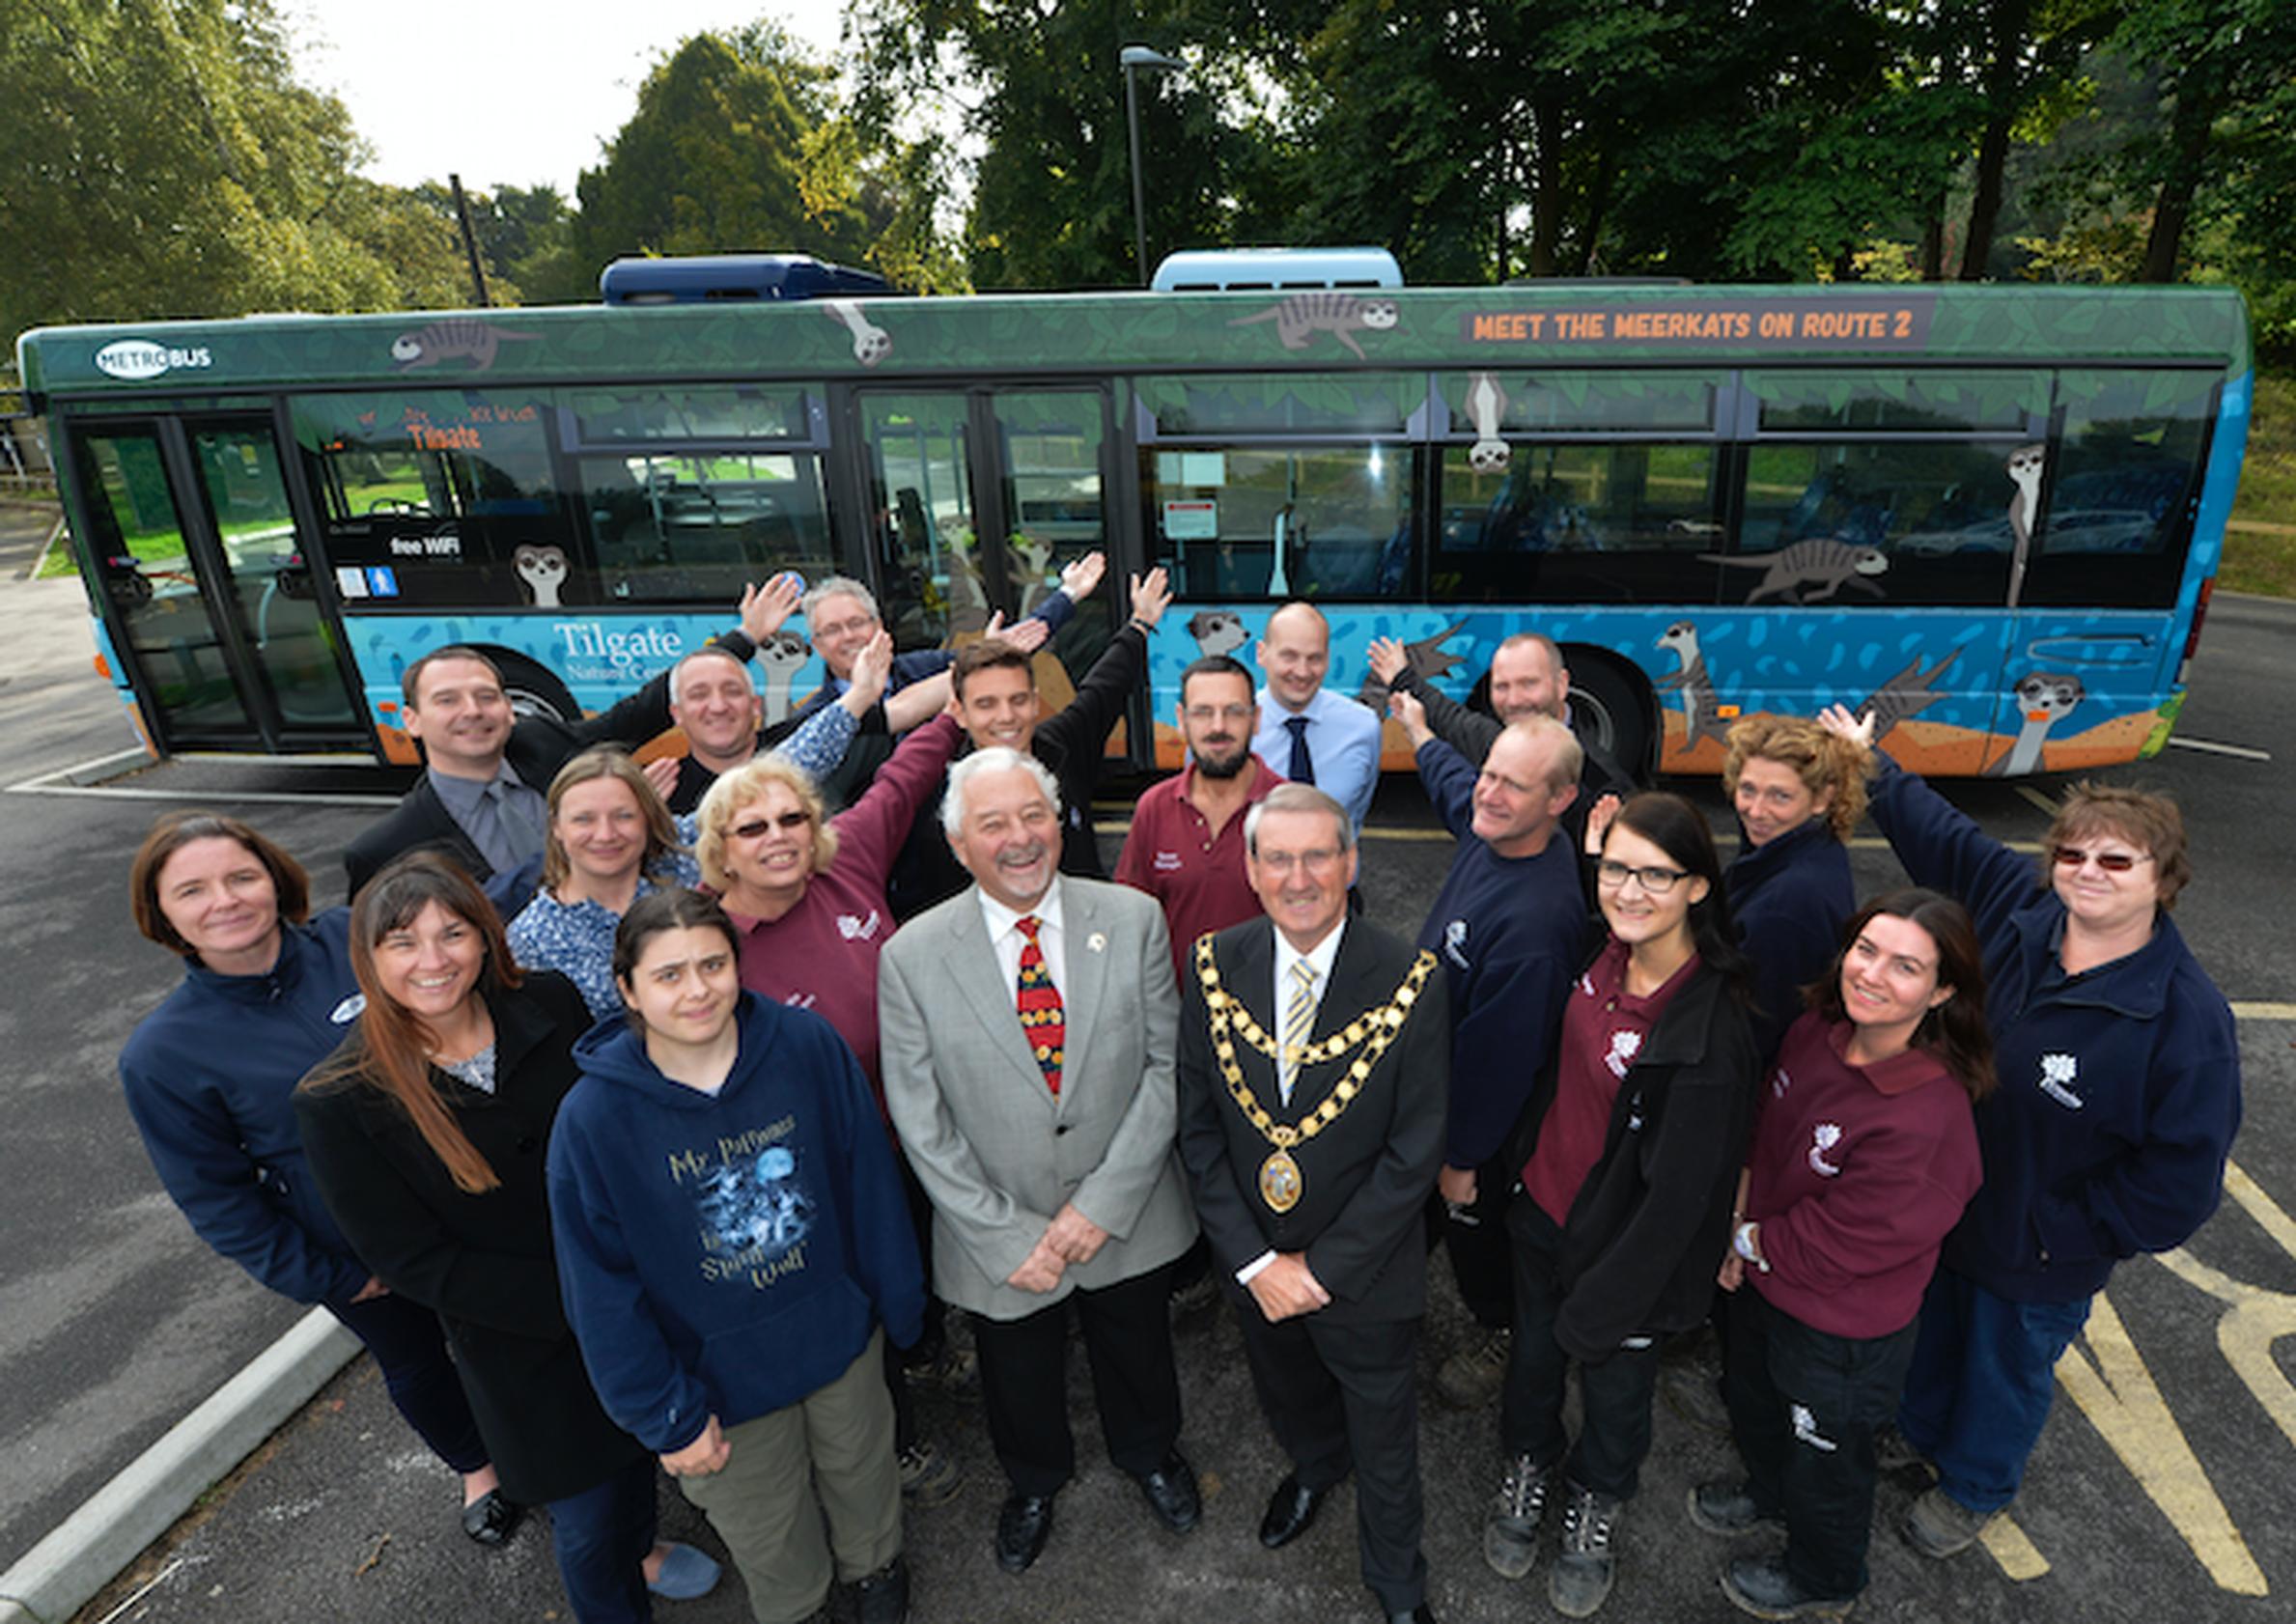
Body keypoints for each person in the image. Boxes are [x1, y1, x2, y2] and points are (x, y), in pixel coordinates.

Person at [1818, 704, 2242, 1561]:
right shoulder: (2026, 916)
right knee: (1935, 1335)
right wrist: (1879, 765)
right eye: (2072, 854)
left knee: (2004, 1370)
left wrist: (2062, 1235)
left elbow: (2179, 1183)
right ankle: (1920, 1430)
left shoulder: (2186, 1021)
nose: (2087, 872)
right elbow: (1947, 841)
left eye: (2116, 860)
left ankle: (1976, 1484)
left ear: (2164, 879)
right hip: (1953, 1210)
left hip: (2039, 1250)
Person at [294, 854, 717, 1621]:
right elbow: (410, 1260)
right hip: (521, 1340)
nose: (434, 960)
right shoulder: (339, 1097)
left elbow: (619, 1131)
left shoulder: (548, 1001)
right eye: (404, 943)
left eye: (452, 933)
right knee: (586, 1518)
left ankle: (645, 1548)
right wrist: (579, 1304)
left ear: (486, 937)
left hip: (631, 1291)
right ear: (370, 959)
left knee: (638, 1460)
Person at [120, 814, 503, 1544]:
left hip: (477, 1197)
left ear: (274, 878)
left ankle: (569, 1442)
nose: (225, 901)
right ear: (162, 913)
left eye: (241, 877)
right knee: (418, 1361)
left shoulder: (355, 938)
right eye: (192, 890)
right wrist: (328, 1276)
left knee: (514, 1332)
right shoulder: (162, 1053)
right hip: (361, 1256)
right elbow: (216, 1197)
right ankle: (478, 1467)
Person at [549, 889, 926, 1624]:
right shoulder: (591, 1121)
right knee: (765, 1518)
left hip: (837, 1335)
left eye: (713, 965)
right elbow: (600, 1287)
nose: (697, 991)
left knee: (864, 1470)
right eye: (668, 975)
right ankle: (801, 1608)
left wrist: (896, 1300)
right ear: (626, 987)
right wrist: (664, 1414)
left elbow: (867, 1182)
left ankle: (875, 1569)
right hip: (714, 1379)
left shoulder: (806, 1046)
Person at [878, 750, 1202, 1576]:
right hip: (1000, 1235)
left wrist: (1104, 1203)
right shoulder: (911, 955)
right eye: (993, 823)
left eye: (1033, 816)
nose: (1019, 839)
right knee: (1015, 1374)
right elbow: (921, 1118)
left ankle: (1149, 1452)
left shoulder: (1130, 918)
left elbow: (1167, 1070)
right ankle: (1034, 1480)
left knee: (1138, 1347)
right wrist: (1002, 1234)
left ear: (1058, 823)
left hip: (1123, 1211)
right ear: (957, 843)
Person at [693, 637, 970, 1502]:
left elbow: (902, 780)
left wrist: (963, 706)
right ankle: (897, 1441)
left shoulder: (843, 859)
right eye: (754, 828)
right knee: (851, 1309)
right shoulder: (706, 945)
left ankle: (922, 1345)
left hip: (913, 1126)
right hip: (815, 1164)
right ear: (721, 850)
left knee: (915, 1264)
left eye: (792, 821)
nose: (779, 840)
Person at [1176, 784, 1451, 1624]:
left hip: (1361, 1275)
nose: (1300, 878)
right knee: (1289, 1395)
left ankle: (1397, 1580)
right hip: (1255, 1268)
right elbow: (1198, 1133)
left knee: (1387, 1437)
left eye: (1318, 856)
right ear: (1252, 870)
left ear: (1351, 862)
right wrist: (1260, 1264)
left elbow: (1415, 1153)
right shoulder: (1214, 963)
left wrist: (1321, 1270)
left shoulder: (1413, 977)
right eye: (1279, 859)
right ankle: (1313, 1468)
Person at [1487, 792, 1758, 1619]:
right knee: (1533, 1362)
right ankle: (1529, 1459)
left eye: (1655, 876)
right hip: (1542, 1211)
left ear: (1698, 888)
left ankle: (1596, 1498)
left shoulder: (1710, 1031)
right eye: (1614, 870)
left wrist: (1612, 1300)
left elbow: (1679, 1200)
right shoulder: (1602, 951)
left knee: (1614, 1394)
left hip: (1624, 1254)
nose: (1629, 891)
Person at [1694, 889, 1991, 1619]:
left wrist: (1742, 1241)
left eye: (1906, 966)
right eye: (1866, 950)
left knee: (1828, 1462)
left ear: (1943, 990)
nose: (1873, 975)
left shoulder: (1927, 1118)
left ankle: (1827, 1576)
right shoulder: (1818, 1028)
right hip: (1765, 1278)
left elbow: (1843, 1241)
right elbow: (1765, 1132)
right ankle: (1767, 1489)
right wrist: (1742, 1223)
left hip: (1842, 1331)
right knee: (1756, 1400)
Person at [1389, 698, 1591, 1411]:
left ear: (1561, 800)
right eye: (1491, 773)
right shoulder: (1498, 832)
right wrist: (1418, 732)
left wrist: (1462, 1160)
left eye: (1512, 784)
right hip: (1432, 1086)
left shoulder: (1535, 927)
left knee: (1479, 1234)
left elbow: (1498, 1065)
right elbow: (1454, 781)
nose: (1489, 791)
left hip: (1477, 1125)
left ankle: (1499, 1327)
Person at [344, 581, 794, 900]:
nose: (473, 711)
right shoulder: (387, 849)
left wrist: (744, 639)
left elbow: (636, 715)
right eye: (447, 700)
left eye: (487, 696)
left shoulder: (543, 743)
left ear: (508, 706)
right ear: (411, 720)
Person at [884, 566, 1173, 920]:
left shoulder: (1063, 747)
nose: (1007, 717)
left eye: (1018, 700)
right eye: (986, 704)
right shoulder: (936, 792)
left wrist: (1140, 624)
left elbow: (1104, 687)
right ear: (958, 712)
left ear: (1036, 702)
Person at [779, 563, 1095, 801]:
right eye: (833, 630)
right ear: (817, 645)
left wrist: (1068, 594)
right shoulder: (815, 721)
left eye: (856, 623)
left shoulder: (925, 667)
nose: (848, 636)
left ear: (878, 626)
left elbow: (1008, 646)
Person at [656, 577, 953, 815]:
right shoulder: (665, 790)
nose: (718, 706)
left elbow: (900, 711)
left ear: (756, 705)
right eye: (833, 629)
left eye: (733, 691)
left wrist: (983, 661)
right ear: (676, 713)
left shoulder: (803, 735)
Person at [1368, 630, 1635, 848]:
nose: (1514, 701)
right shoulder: (1502, 739)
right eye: (1501, 687)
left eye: (1529, 684)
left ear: (1562, 684)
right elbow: (1453, 721)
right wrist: (1404, 680)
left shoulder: (1604, 784)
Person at [1113, 653, 1285, 979]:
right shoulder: (1154, 807)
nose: (1218, 727)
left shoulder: (1290, 808)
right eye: (1203, 712)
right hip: (1176, 1013)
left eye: (1233, 712)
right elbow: (1131, 919)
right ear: (1181, 719)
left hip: (1268, 1017)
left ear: (1256, 719)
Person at [1718, 714, 1867, 1060]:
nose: (1756, 811)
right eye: (1747, 789)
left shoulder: (1786, 906)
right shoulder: (1817, 847)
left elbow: (1757, 1032)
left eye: (1779, 797)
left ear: (1821, 799)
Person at [509, 749, 699, 1018]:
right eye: (584, 819)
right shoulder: (532, 939)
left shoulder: (687, 867)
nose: (606, 834)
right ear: (556, 827)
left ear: (647, 818)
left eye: (624, 816)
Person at [1250, 602, 1386, 835]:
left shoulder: (1363, 726)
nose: (1302, 672)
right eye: (1289, 656)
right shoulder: (1231, 728)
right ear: (1261, 654)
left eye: (1314, 658)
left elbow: (1354, 816)